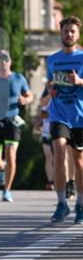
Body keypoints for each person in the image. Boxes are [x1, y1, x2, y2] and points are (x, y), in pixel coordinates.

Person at [45, 15, 83, 224]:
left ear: (77, 34)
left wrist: (79, 81)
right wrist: (51, 89)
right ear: (60, 33)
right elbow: (51, 83)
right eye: (65, 31)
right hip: (59, 113)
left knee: (79, 162)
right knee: (59, 154)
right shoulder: (52, 59)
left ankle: (80, 204)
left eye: (72, 31)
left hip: (80, 116)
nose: (68, 34)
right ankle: (61, 203)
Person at [0, 50, 33, 202]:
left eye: (6, 59)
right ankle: (2, 168)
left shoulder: (19, 78)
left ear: (10, 61)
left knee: (11, 155)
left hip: (12, 121)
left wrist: (25, 100)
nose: (3, 62)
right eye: (0, 59)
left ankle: (7, 190)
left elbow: (30, 95)